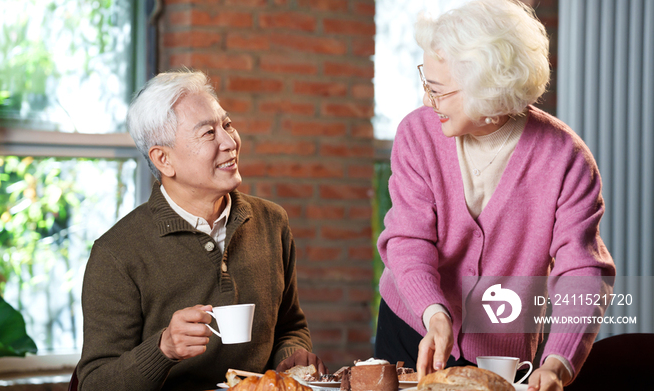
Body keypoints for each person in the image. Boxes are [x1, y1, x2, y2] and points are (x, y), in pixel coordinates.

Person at [374, 1, 616, 391]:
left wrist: (558, 364)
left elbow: (583, 272)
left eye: (438, 91)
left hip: (505, 352)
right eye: (426, 85)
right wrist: (434, 313)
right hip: (415, 326)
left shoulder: (565, 158)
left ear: (488, 90)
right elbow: (408, 240)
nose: (426, 101)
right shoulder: (417, 135)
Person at [77, 69, 326, 391]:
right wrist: (163, 349)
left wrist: (292, 357)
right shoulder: (117, 253)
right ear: (164, 159)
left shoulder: (272, 222)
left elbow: (290, 324)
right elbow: (95, 384)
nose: (229, 141)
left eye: (227, 124)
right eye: (208, 133)